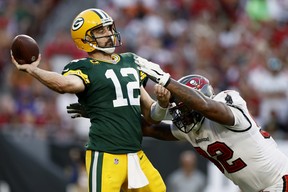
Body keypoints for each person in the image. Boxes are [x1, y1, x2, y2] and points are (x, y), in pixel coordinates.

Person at [11, 8, 170, 192]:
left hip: (136, 153)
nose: (109, 33)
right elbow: (65, 85)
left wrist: (163, 104)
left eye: (109, 28)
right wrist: (33, 70)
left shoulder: (130, 61)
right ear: (85, 39)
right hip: (106, 154)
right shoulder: (85, 67)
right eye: (101, 31)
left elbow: (152, 117)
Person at [133, 57, 288, 192]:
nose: (182, 115)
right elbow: (149, 128)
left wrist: (165, 80)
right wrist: (132, 87)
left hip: (280, 181)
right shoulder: (191, 128)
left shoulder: (229, 101)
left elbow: (206, 107)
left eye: (185, 107)